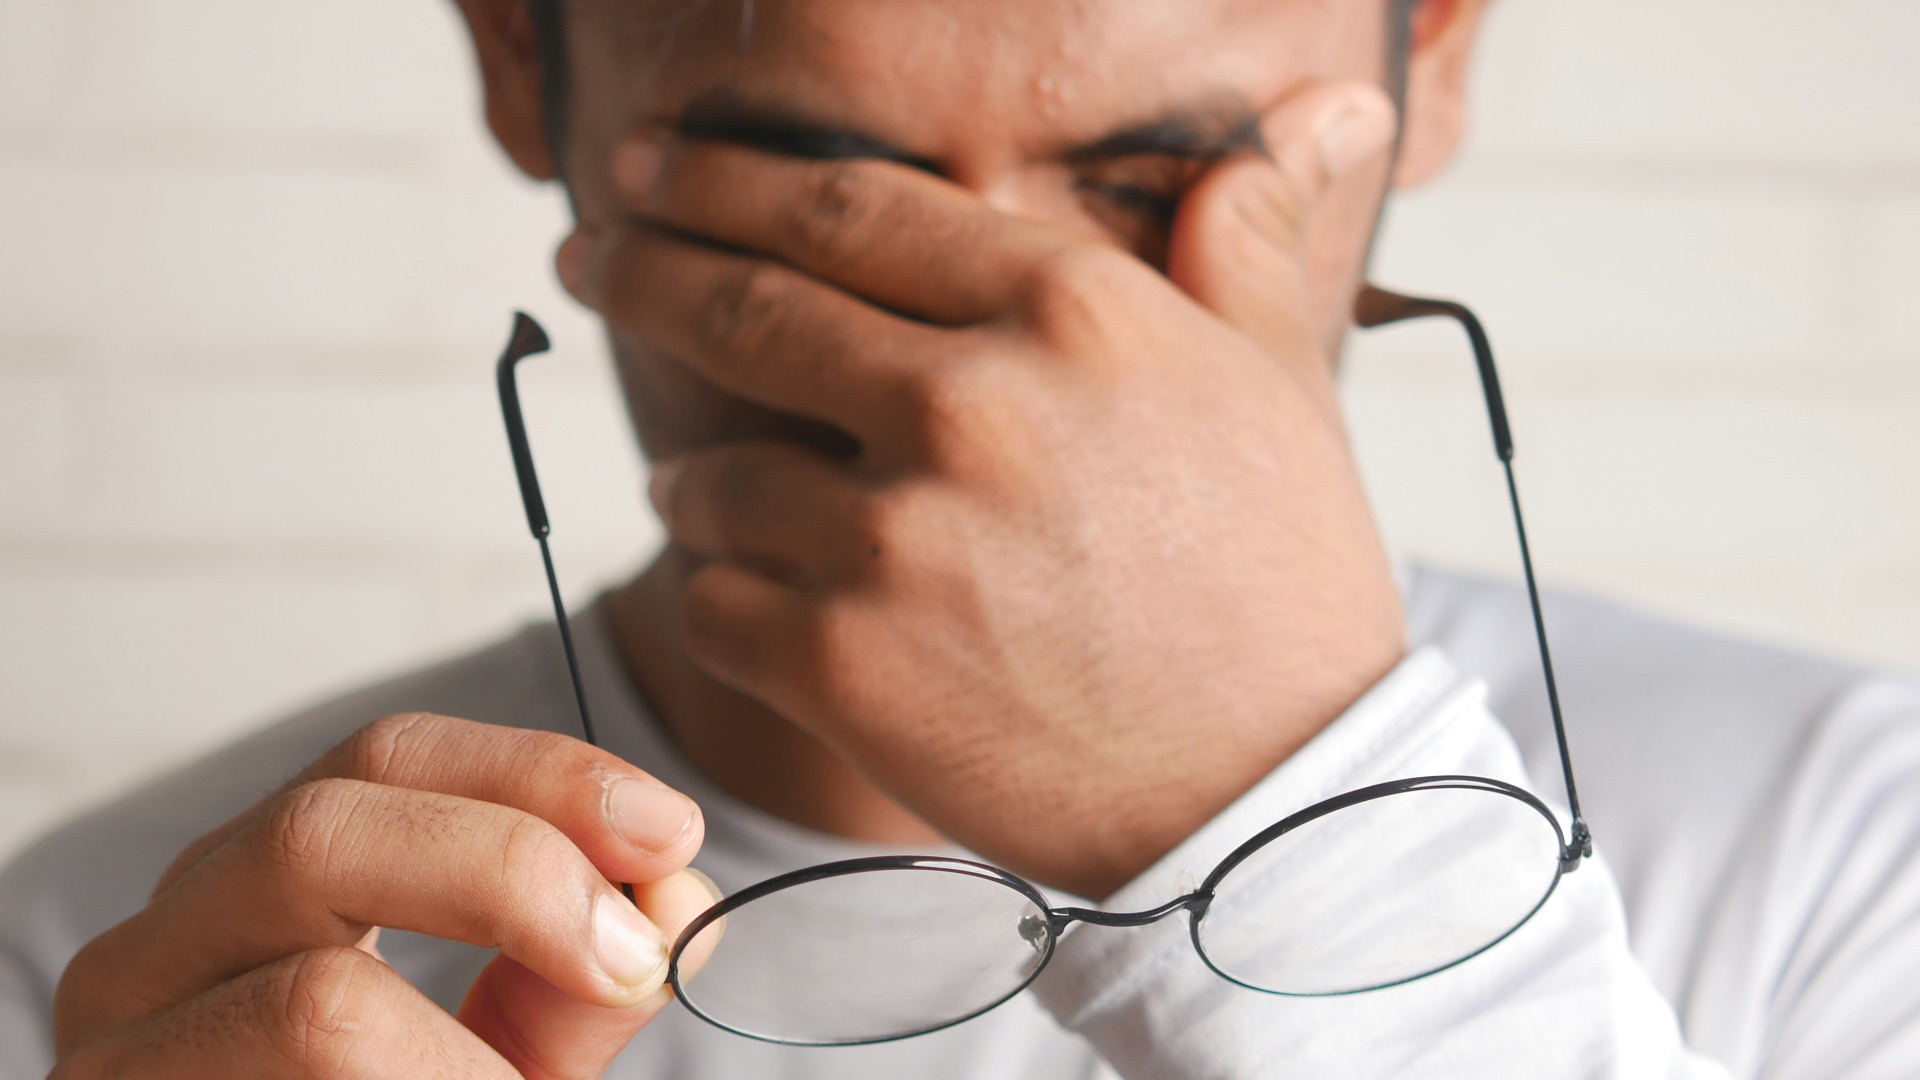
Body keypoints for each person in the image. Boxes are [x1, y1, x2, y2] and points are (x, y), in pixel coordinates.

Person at [6, 0, 1918, 1076]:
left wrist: (1299, 818)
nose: (1009, 336)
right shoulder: (134, 968)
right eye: (810, 184)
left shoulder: (1850, 856)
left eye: (1160, 178)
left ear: (1441, 48)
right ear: (522, 54)